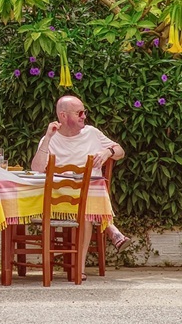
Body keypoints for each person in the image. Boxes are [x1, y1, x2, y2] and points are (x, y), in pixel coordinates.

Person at [31, 94, 129, 250]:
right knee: (85, 210)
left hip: (86, 199)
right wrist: (48, 137)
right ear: (63, 116)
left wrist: (108, 152)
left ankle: (80, 270)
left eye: (84, 112)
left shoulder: (92, 133)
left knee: (85, 212)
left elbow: (120, 151)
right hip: (60, 201)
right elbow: (36, 169)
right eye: (79, 113)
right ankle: (109, 226)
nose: (84, 116)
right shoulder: (50, 138)